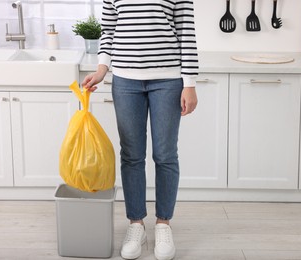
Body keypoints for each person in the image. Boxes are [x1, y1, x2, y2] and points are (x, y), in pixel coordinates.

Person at [82, 0, 199, 259]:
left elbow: (186, 32)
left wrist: (189, 83)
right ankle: (136, 224)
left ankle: (163, 224)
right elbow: (109, 31)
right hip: (125, 80)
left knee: (165, 155)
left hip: (168, 79)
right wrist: (102, 69)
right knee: (132, 155)